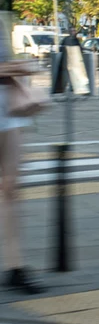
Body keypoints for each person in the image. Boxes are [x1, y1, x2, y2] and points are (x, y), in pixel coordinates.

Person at [0, 22, 43, 293]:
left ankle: (16, 266)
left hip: (6, 113)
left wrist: (16, 67)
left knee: (11, 189)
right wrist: (17, 67)